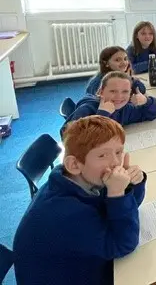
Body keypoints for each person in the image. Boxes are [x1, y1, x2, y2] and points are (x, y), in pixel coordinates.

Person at [13, 116, 146, 285]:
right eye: (102, 155)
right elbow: (124, 244)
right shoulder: (64, 214)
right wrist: (118, 192)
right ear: (74, 165)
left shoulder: (81, 178)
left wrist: (130, 185)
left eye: (119, 152)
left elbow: (132, 204)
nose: (115, 162)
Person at [64, 72, 156, 134]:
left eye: (125, 91)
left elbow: (153, 113)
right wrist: (102, 115)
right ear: (100, 92)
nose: (119, 96)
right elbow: (69, 136)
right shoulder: (87, 109)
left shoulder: (125, 108)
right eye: (113, 91)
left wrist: (146, 101)